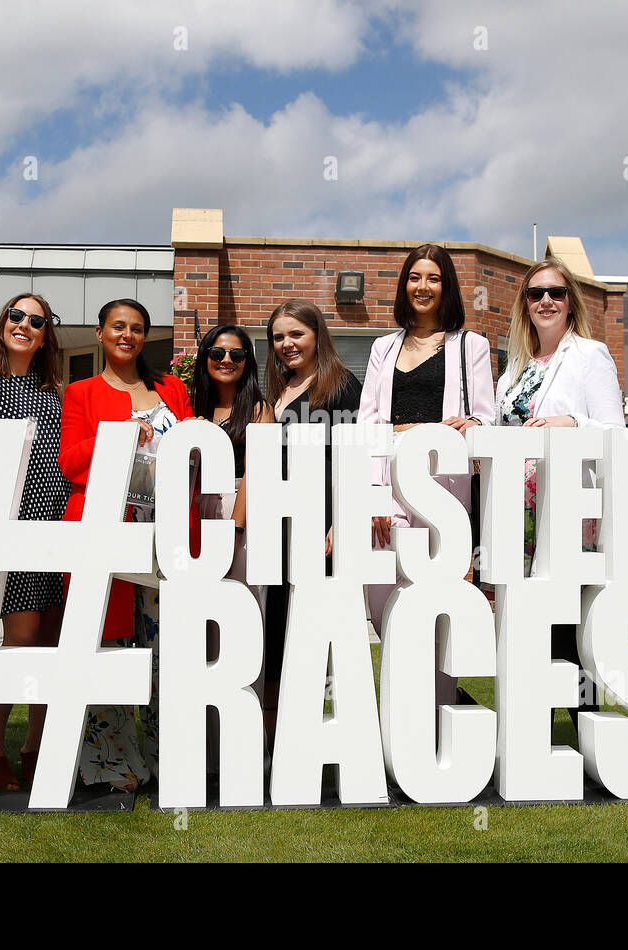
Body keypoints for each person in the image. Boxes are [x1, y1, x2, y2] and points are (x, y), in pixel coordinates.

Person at [59, 298, 192, 791]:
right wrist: (118, 435)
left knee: (166, 646)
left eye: (137, 329)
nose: (128, 336)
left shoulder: (171, 389)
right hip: (104, 527)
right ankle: (114, 763)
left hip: (166, 530)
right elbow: (69, 462)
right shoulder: (81, 392)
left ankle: (169, 756)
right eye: (118, 326)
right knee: (108, 641)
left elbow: (193, 452)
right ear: (99, 333)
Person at [359, 244, 494, 705]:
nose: (423, 286)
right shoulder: (383, 347)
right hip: (390, 490)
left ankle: (439, 716)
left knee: (437, 611)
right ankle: (411, 718)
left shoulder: (469, 347)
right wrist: (376, 493)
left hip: (443, 496)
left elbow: (484, 420)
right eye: (415, 277)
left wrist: (472, 425)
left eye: (433, 278)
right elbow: (369, 425)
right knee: (385, 605)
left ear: (447, 286)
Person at [495, 256, 623, 729]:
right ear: (525, 305)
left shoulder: (590, 355)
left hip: (566, 511)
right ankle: (535, 735)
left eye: (556, 292)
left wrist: (573, 423)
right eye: (535, 293)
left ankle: (589, 729)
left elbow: (616, 433)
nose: (546, 300)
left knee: (568, 623)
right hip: (517, 513)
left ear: (571, 303)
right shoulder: (515, 370)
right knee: (531, 622)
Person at [0, 293, 69, 790]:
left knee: (51, 642)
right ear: (3, 324)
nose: (25, 325)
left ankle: (37, 744)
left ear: (46, 334)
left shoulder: (56, 391)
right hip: (12, 524)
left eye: (36, 321)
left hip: (59, 526)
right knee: (19, 639)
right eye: (17, 316)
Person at [263, 300, 362, 743]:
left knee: (317, 625)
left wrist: (341, 520)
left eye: (296, 334)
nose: (287, 344)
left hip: (321, 523)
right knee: (279, 622)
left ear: (317, 334)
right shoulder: (276, 391)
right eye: (279, 337)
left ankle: (324, 733)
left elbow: (357, 458)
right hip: (281, 525)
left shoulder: (341, 387)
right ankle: (275, 734)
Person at [190, 324, 275, 765]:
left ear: (248, 363)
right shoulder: (191, 408)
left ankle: (244, 750)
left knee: (243, 628)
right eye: (218, 352)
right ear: (204, 356)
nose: (226, 360)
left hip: (242, 520)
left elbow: (260, 473)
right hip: (191, 520)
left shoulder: (259, 409)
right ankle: (202, 750)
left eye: (237, 355)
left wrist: (235, 529)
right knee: (199, 633)